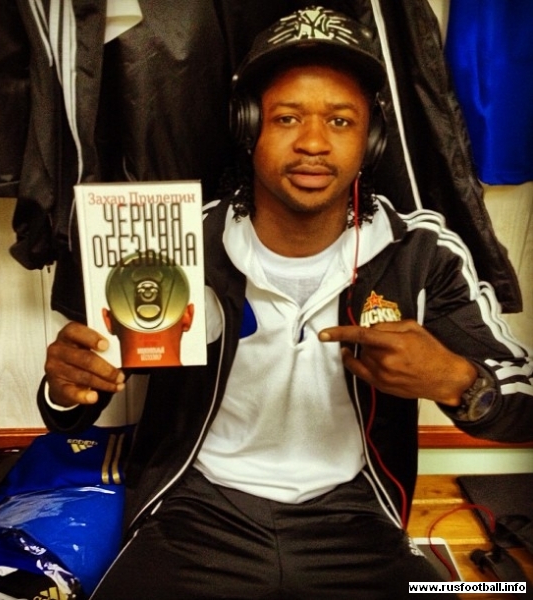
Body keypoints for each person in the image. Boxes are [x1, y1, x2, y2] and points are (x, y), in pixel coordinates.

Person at [39, 7, 533, 599]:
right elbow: (72, 406)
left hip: (355, 522)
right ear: (249, 128)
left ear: (372, 139)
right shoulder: (178, 243)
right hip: (196, 515)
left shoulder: (422, 253)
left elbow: (523, 402)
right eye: (288, 118)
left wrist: (456, 381)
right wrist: (65, 386)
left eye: (341, 121)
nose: (313, 144)